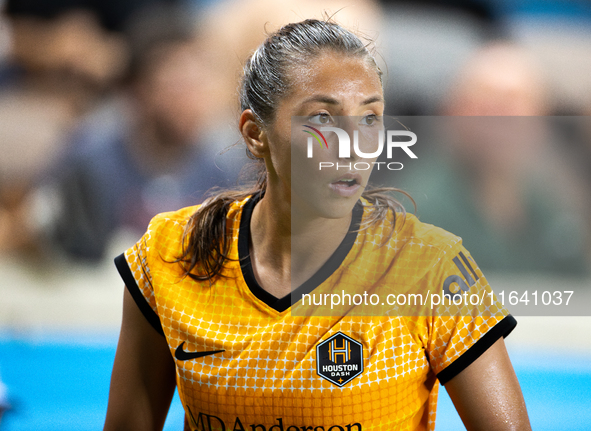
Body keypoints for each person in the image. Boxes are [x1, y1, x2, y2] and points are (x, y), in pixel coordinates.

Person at [104, 19, 531, 430]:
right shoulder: (168, 253)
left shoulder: (429, 266)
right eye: (323, 118)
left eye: (369, 117)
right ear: (255, 134)